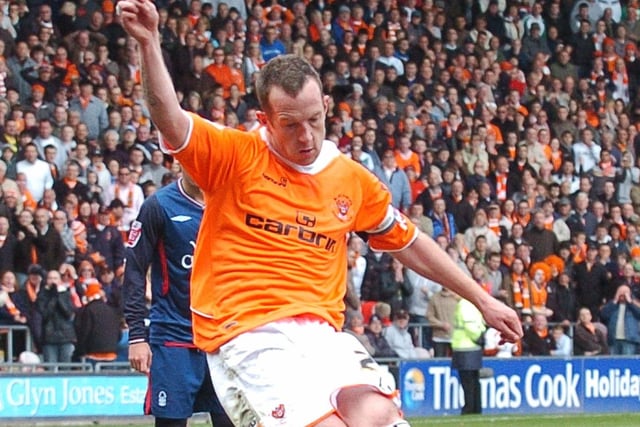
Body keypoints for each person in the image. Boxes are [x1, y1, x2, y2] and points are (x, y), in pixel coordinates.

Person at [119, 3, 522, 425]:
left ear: (327, 105)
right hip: (248, 334)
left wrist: (482, 298)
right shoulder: (234, 156)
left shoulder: (349, 179)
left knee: (382, 416)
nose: (306, 136)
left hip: (321, 336)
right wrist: (149, 44)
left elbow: (411, 244)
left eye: (315, 119)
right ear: (265, 119)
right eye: (291, 125)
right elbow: (169, 118)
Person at [122, 173, 232, 427]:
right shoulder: (158, 206)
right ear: (178, 160)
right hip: (174, 337)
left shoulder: (233, 202)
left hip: (223, 339)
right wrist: (137, 336)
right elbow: (135, 270)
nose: (197, 166)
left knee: (234, 421)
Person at [451, 296, 486, 415]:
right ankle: (476, 407)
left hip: (464, 347)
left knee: (467, 381)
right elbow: (479, 323)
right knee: (474, 380)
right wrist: (481, 337)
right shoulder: (473, 304)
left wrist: (477, 337)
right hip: (473, 347)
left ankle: (469, 408)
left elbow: (469, 325)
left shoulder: (464, 304)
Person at [74, 280, 121, 365]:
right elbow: (119, 333)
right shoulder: (112, 310)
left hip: (93, 354)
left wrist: (80, 350)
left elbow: (85, 332)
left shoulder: (87, 310)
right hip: (111, 353)